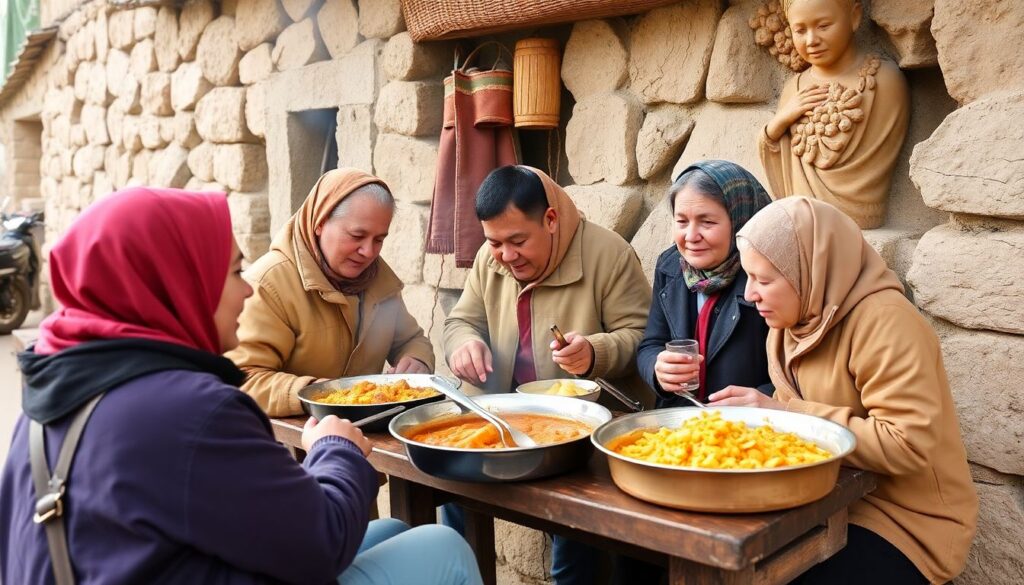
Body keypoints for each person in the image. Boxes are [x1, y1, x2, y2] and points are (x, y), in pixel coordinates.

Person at [0, 187, 482, 585]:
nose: (246, 289)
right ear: (177, 283)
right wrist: (335, 446)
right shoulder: (189, 411)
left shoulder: (50, 399)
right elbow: (319, 542)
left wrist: (413, 360)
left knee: (394, 526)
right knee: (442, 546)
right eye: (231, 271)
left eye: (379, 238)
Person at [709, 197, 978, 584]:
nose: (750, 295)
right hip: (823, 502)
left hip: (904, 521)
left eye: (764, 280)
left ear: (811, 271)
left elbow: (908, 444)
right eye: (747, 277)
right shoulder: (788, 327)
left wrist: (783, 416)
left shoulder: (886, 323)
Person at [442, 165, 651, 585]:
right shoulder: (490, 259)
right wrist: (464, 344)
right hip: (502, 424)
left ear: (551, 220)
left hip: (578, 435)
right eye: (494, 242)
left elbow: (642, 338)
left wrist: (596, 352)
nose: (505, 255)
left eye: (518, 241)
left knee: (574, 537)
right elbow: (460, 321)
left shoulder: (607, 254)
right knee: (451, 494)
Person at [227, 169, 434, 417]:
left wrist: (416, 360)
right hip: (292, 446)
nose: (368, 252)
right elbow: (243, 380)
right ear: (320, 223)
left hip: (367, 435)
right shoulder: (269, 284)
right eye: (357, 236)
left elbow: (411, 339)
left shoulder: (378, 280)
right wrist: (316, 394)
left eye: (379, 239)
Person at [758, 0, 909, 229]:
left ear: (855, 16)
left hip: (857, 215)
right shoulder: (794, 88)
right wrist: (779, 123)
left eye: (823, 26)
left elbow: (875, 165)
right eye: (800, 30)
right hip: (801, 218)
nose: (811, 40)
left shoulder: (884, 81)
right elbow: (777, 153)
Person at [636, 160, 773, 408]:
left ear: (740, 221)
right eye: (681, 221)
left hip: (750, 432)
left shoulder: (767, 277)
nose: (691, 236)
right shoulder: (670, 267)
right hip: (680, 430)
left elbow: (797, 372)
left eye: (707, 222)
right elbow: (651, 343)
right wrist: (658, 368)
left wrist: (765, 398)